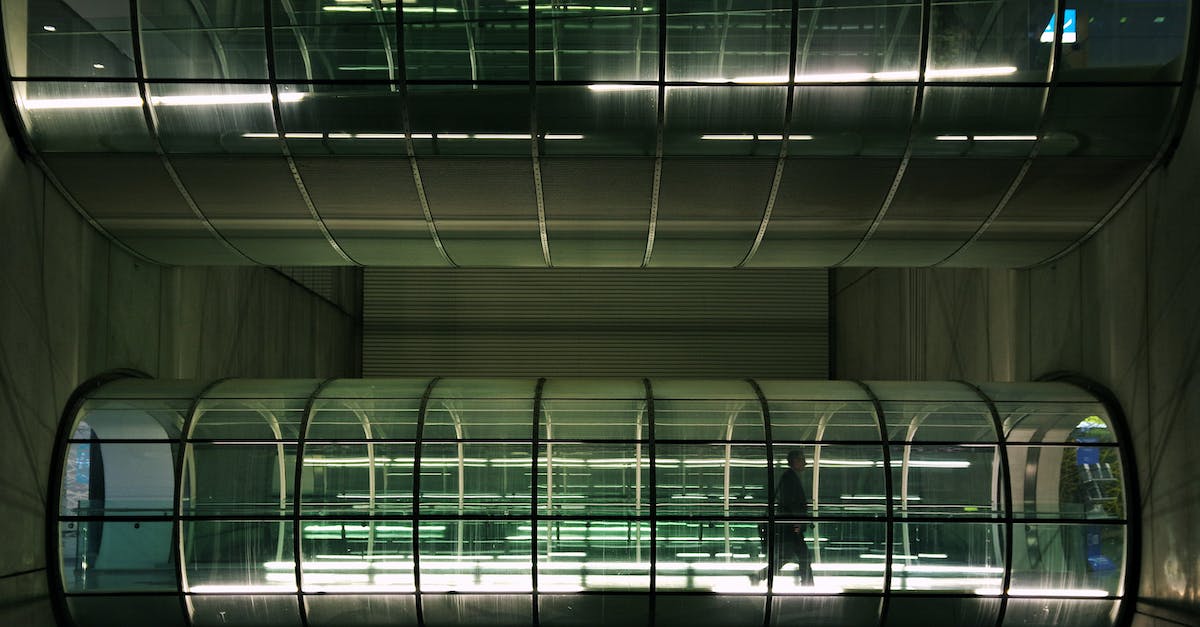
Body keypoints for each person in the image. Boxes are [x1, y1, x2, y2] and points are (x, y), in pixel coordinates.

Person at [750, 450, 813, 586]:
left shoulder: (789, 477)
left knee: (790, 556)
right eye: (802, 460)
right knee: (803, 556)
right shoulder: (790, 478)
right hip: (792, 526)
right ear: (795, 461)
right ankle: (808, 585)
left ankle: (759, 576)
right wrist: (797, 523)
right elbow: (791, 503)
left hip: (790, 525)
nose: (805, 463)